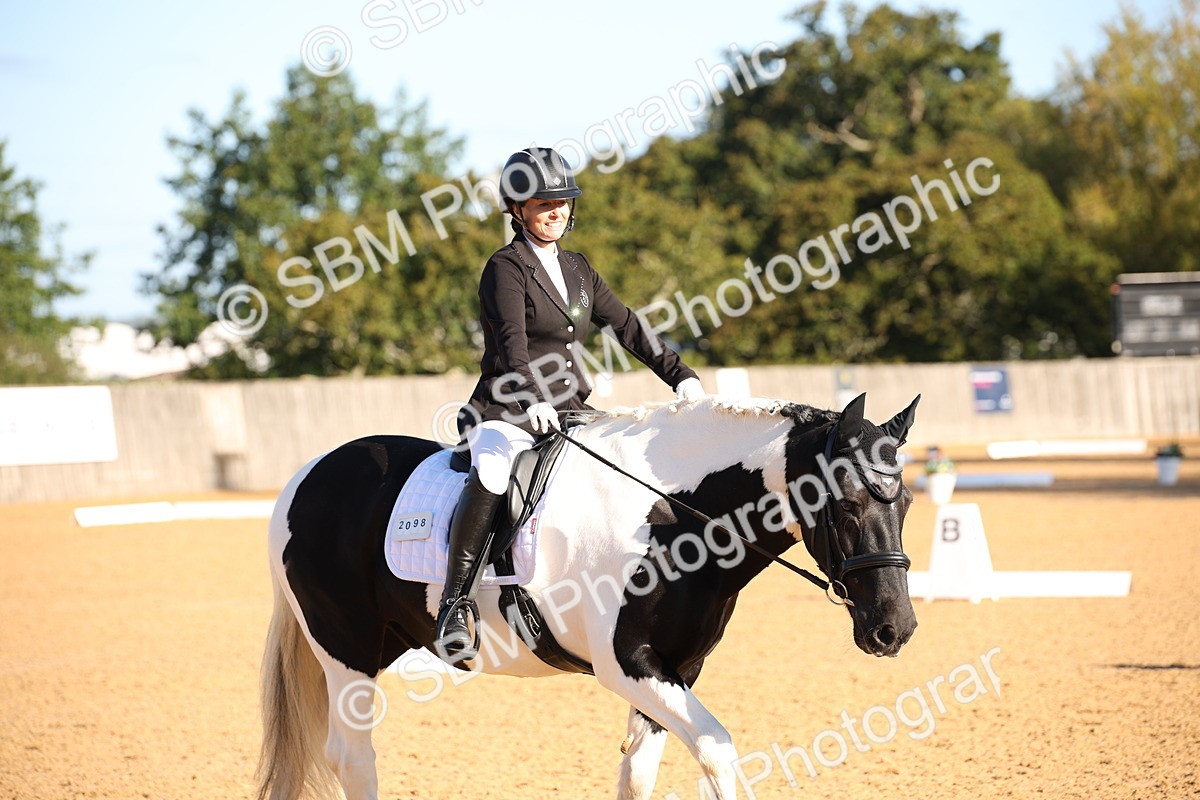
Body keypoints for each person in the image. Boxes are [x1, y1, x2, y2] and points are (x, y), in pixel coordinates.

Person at [435, 147, 705, 659]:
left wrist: (680, 375)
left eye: (561, 201)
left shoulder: (578, 269)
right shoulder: (504, 268)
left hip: (571, 410)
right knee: (494, 470)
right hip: (507, 408)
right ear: (517, 210)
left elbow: (627, 325)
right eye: (541, 204)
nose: (554, 211)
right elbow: (512, 341)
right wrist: (531, 396)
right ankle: (454, 605)